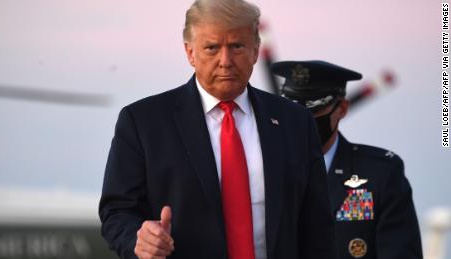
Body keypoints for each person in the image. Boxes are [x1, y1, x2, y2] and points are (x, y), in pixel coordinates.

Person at [99, 1, 336, 259]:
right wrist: (138, 239)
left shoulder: (295, 122)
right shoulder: (143, 123)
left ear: (255, 51)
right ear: (190, 53)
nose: (225, 61)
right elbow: (117, 211)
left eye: (237, 46)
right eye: (212, 48)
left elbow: (317, 228)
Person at [271, 60, 423, 259]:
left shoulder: (381, 174)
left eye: (313, 110)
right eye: (293, 110)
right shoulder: (262, 169)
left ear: (341, 108)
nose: (303, 120)